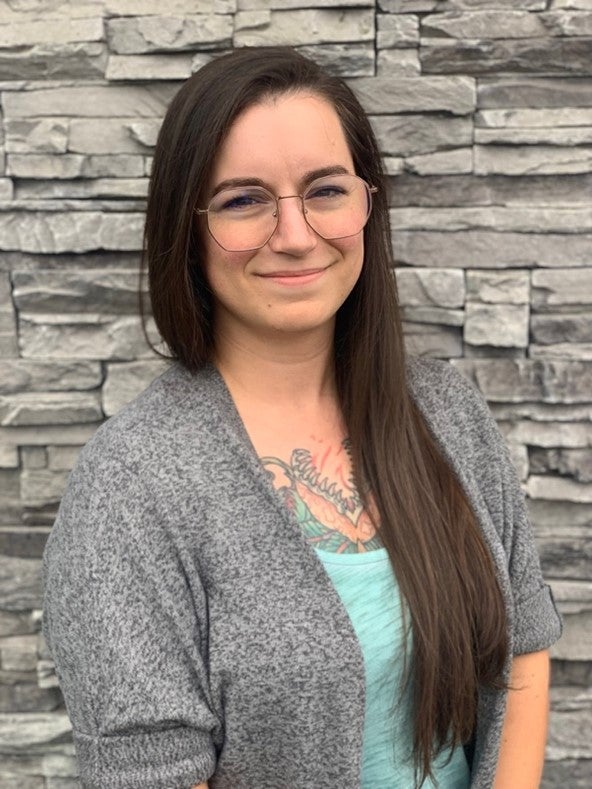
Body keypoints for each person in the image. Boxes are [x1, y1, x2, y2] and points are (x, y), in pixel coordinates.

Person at [42, 46, 562, 789]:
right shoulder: (130, 488)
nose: (294, 234)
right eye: (243, 200)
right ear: (186, 229)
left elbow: (523, 651)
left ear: (366, 203)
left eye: (324, 190)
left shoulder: (447, 413)